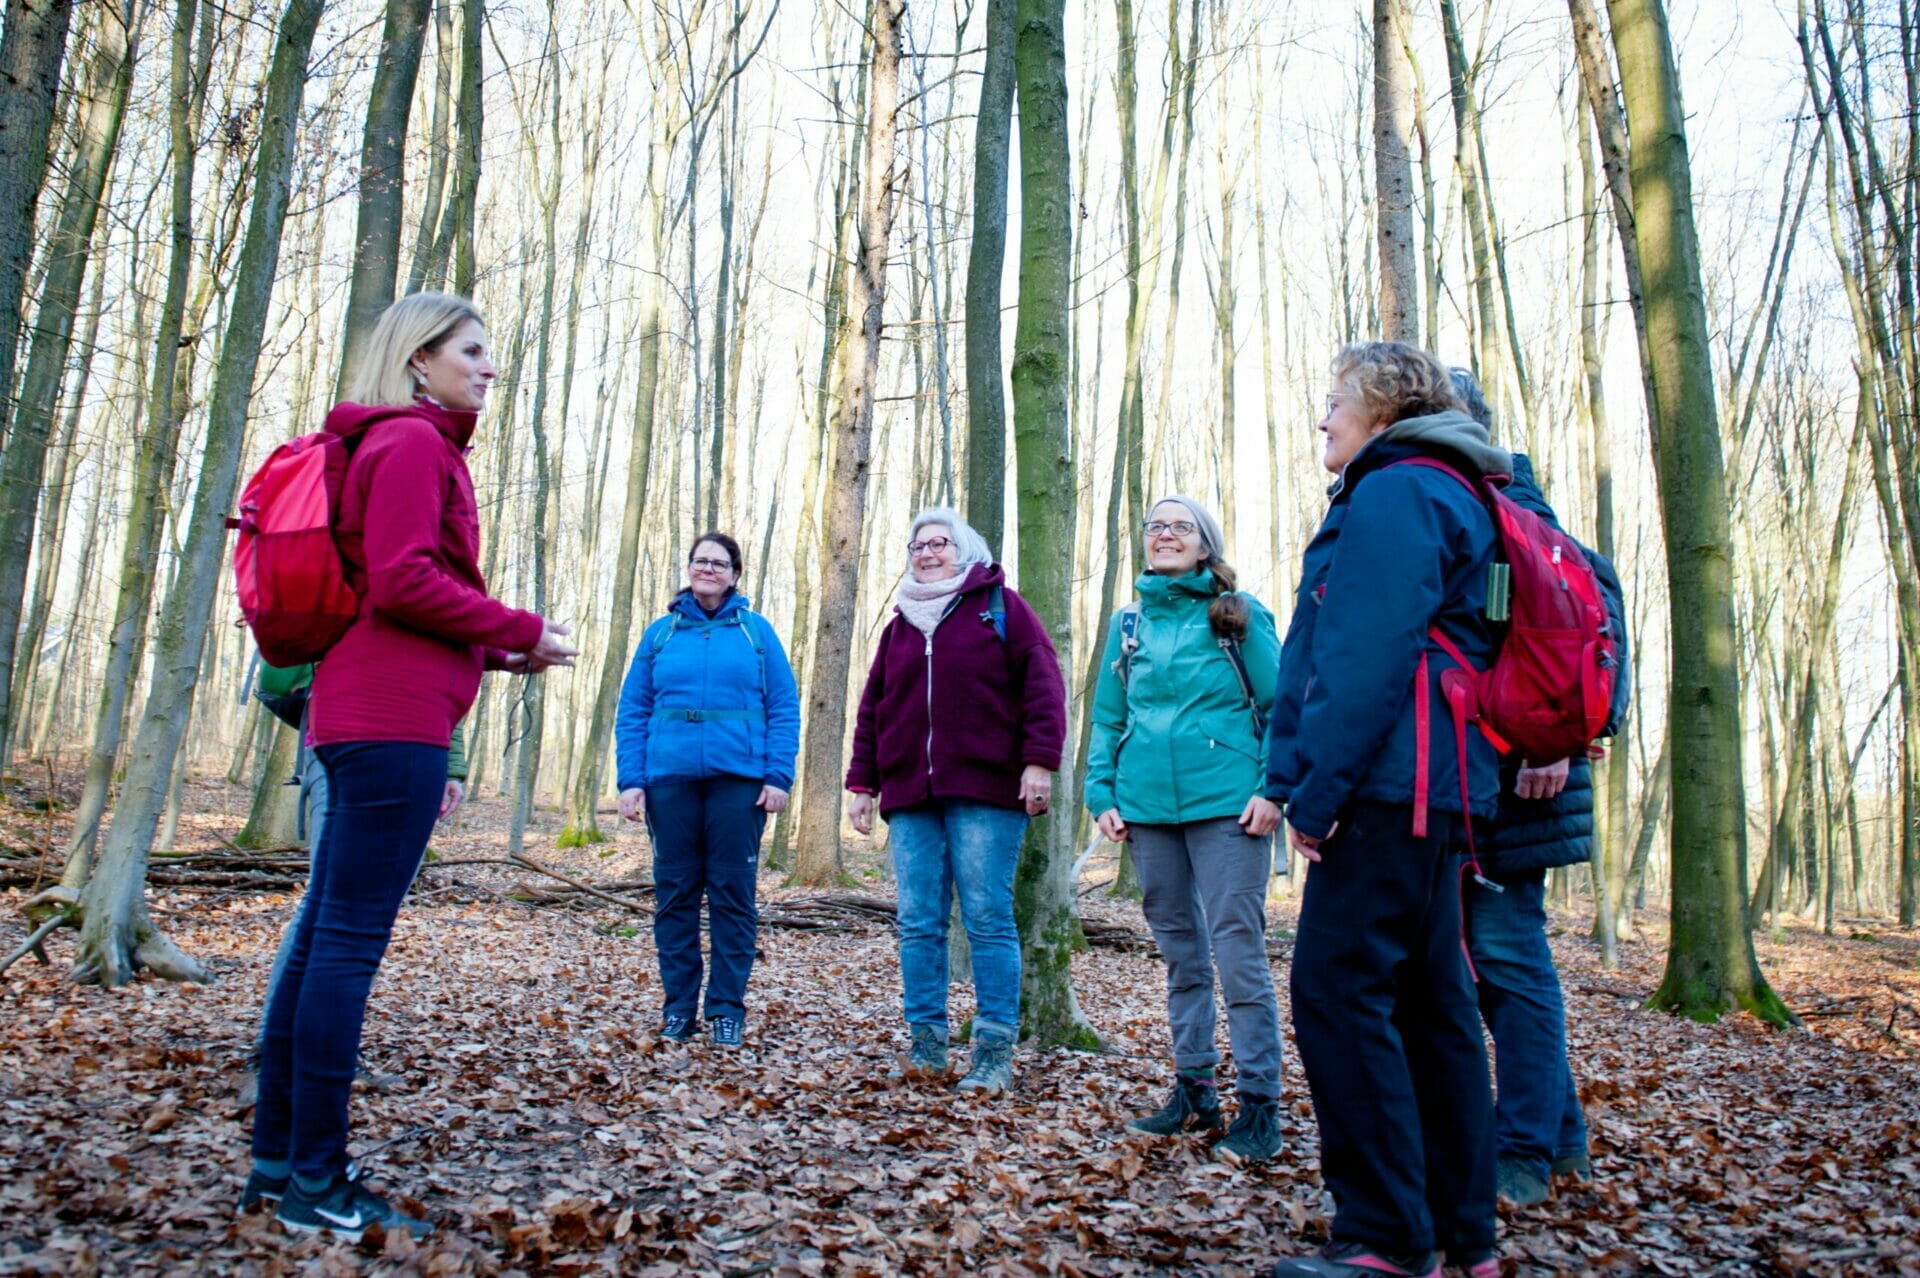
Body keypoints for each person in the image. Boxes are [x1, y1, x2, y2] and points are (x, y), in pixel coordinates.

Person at [248, 292, 576, 1242]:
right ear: (418, 358)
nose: (488, 366)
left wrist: (501, 652)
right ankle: (316, 1181)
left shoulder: (396, 445)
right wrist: (516, 625)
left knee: (320, 938)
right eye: (471, 350)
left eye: (489, 350)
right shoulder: (412, 445)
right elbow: (401, 581)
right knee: (344, 946)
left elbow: (401, 595)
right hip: (389, 725)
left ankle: (279, 1168)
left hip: (373, 708)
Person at [1268, 342, 1506, 1278]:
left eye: (1336, 400)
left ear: (1383, 408)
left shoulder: (1399, 490)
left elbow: (1363, 659)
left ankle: (1385, 1238)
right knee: (1430, 1003)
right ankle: (1459, 1232)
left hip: (1389, 787)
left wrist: (1315, 795)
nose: (1324, 418)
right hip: (1433, 786)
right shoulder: (1448, 487)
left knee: (1337, 993)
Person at [1448, 369, 1628, 1209]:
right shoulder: (1479, 506)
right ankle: (1561, 1139)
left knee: (1510, 961)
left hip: (1522, 776)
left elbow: (1596, 632)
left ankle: (1522, 1149)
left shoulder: (1515, 514)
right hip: (1485, 772)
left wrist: (1562, 741)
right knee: (1495, 966)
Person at [1085, 496, 1286, 1164]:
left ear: (1206, 546)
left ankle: (1260, 1106)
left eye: (1181, 527)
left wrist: (1271, 789)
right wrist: (1101, 791)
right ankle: (1194, 1090)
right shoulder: (1129, 624)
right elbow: (1109, 718)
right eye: (1155, 526)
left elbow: (1281, 707)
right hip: (1146, 811)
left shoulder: (1238, 616)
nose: (1165, 535)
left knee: (1238, 953)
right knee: (1181, 957)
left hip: (1228, 808)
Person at [844, 507, 1065, 1096]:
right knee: (918, 923)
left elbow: (1044, 684)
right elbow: (874, 709)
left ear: (964, 551)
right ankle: (926, 1046)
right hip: (911, 793)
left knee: (988, 919)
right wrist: (862, 782)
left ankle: (994, 1052)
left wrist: (1040, 762)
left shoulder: (1002, 609)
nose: (926, 552)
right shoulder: (898, 628)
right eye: (917, 545)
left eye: (939, 543)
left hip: (988, 792)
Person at [615, 533, 800, 1049]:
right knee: (675, 898)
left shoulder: (756, 634)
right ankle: (678, 1010)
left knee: (732, 898)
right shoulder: (661, 635)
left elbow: (784, 707)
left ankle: (725, 1011)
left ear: (735, 574)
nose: (709, 569)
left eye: (719, 563)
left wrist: (777, 775)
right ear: (690, 569)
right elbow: (633, 711)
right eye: (701, 561)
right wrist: (631, 780)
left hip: (739, 784)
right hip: (669, 781)